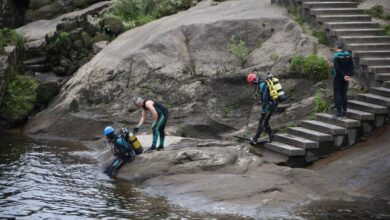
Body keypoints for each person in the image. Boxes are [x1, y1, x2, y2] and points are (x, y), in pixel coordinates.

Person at [246, 72, 278, 144]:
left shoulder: (262, 84)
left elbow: (266, 98)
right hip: (273, 103)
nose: (252, 85)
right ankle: (271, 136)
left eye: (251, 83)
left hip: (270, 104)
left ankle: (255, 139)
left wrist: (264, 110)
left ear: (253, 81)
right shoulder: (262, 83)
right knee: (265, 121)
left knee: (262, 121)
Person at [332, 41, 354, 117]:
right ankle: (344, 111)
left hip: (338, 77)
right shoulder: (349, 54)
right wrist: (348, 75)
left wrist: (343, 75)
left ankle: (339, 112)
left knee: (337, 94)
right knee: (344, 94)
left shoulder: (336, 55)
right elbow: (351, 67)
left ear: (337, 47)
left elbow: (337, 68)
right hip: (346, 77)